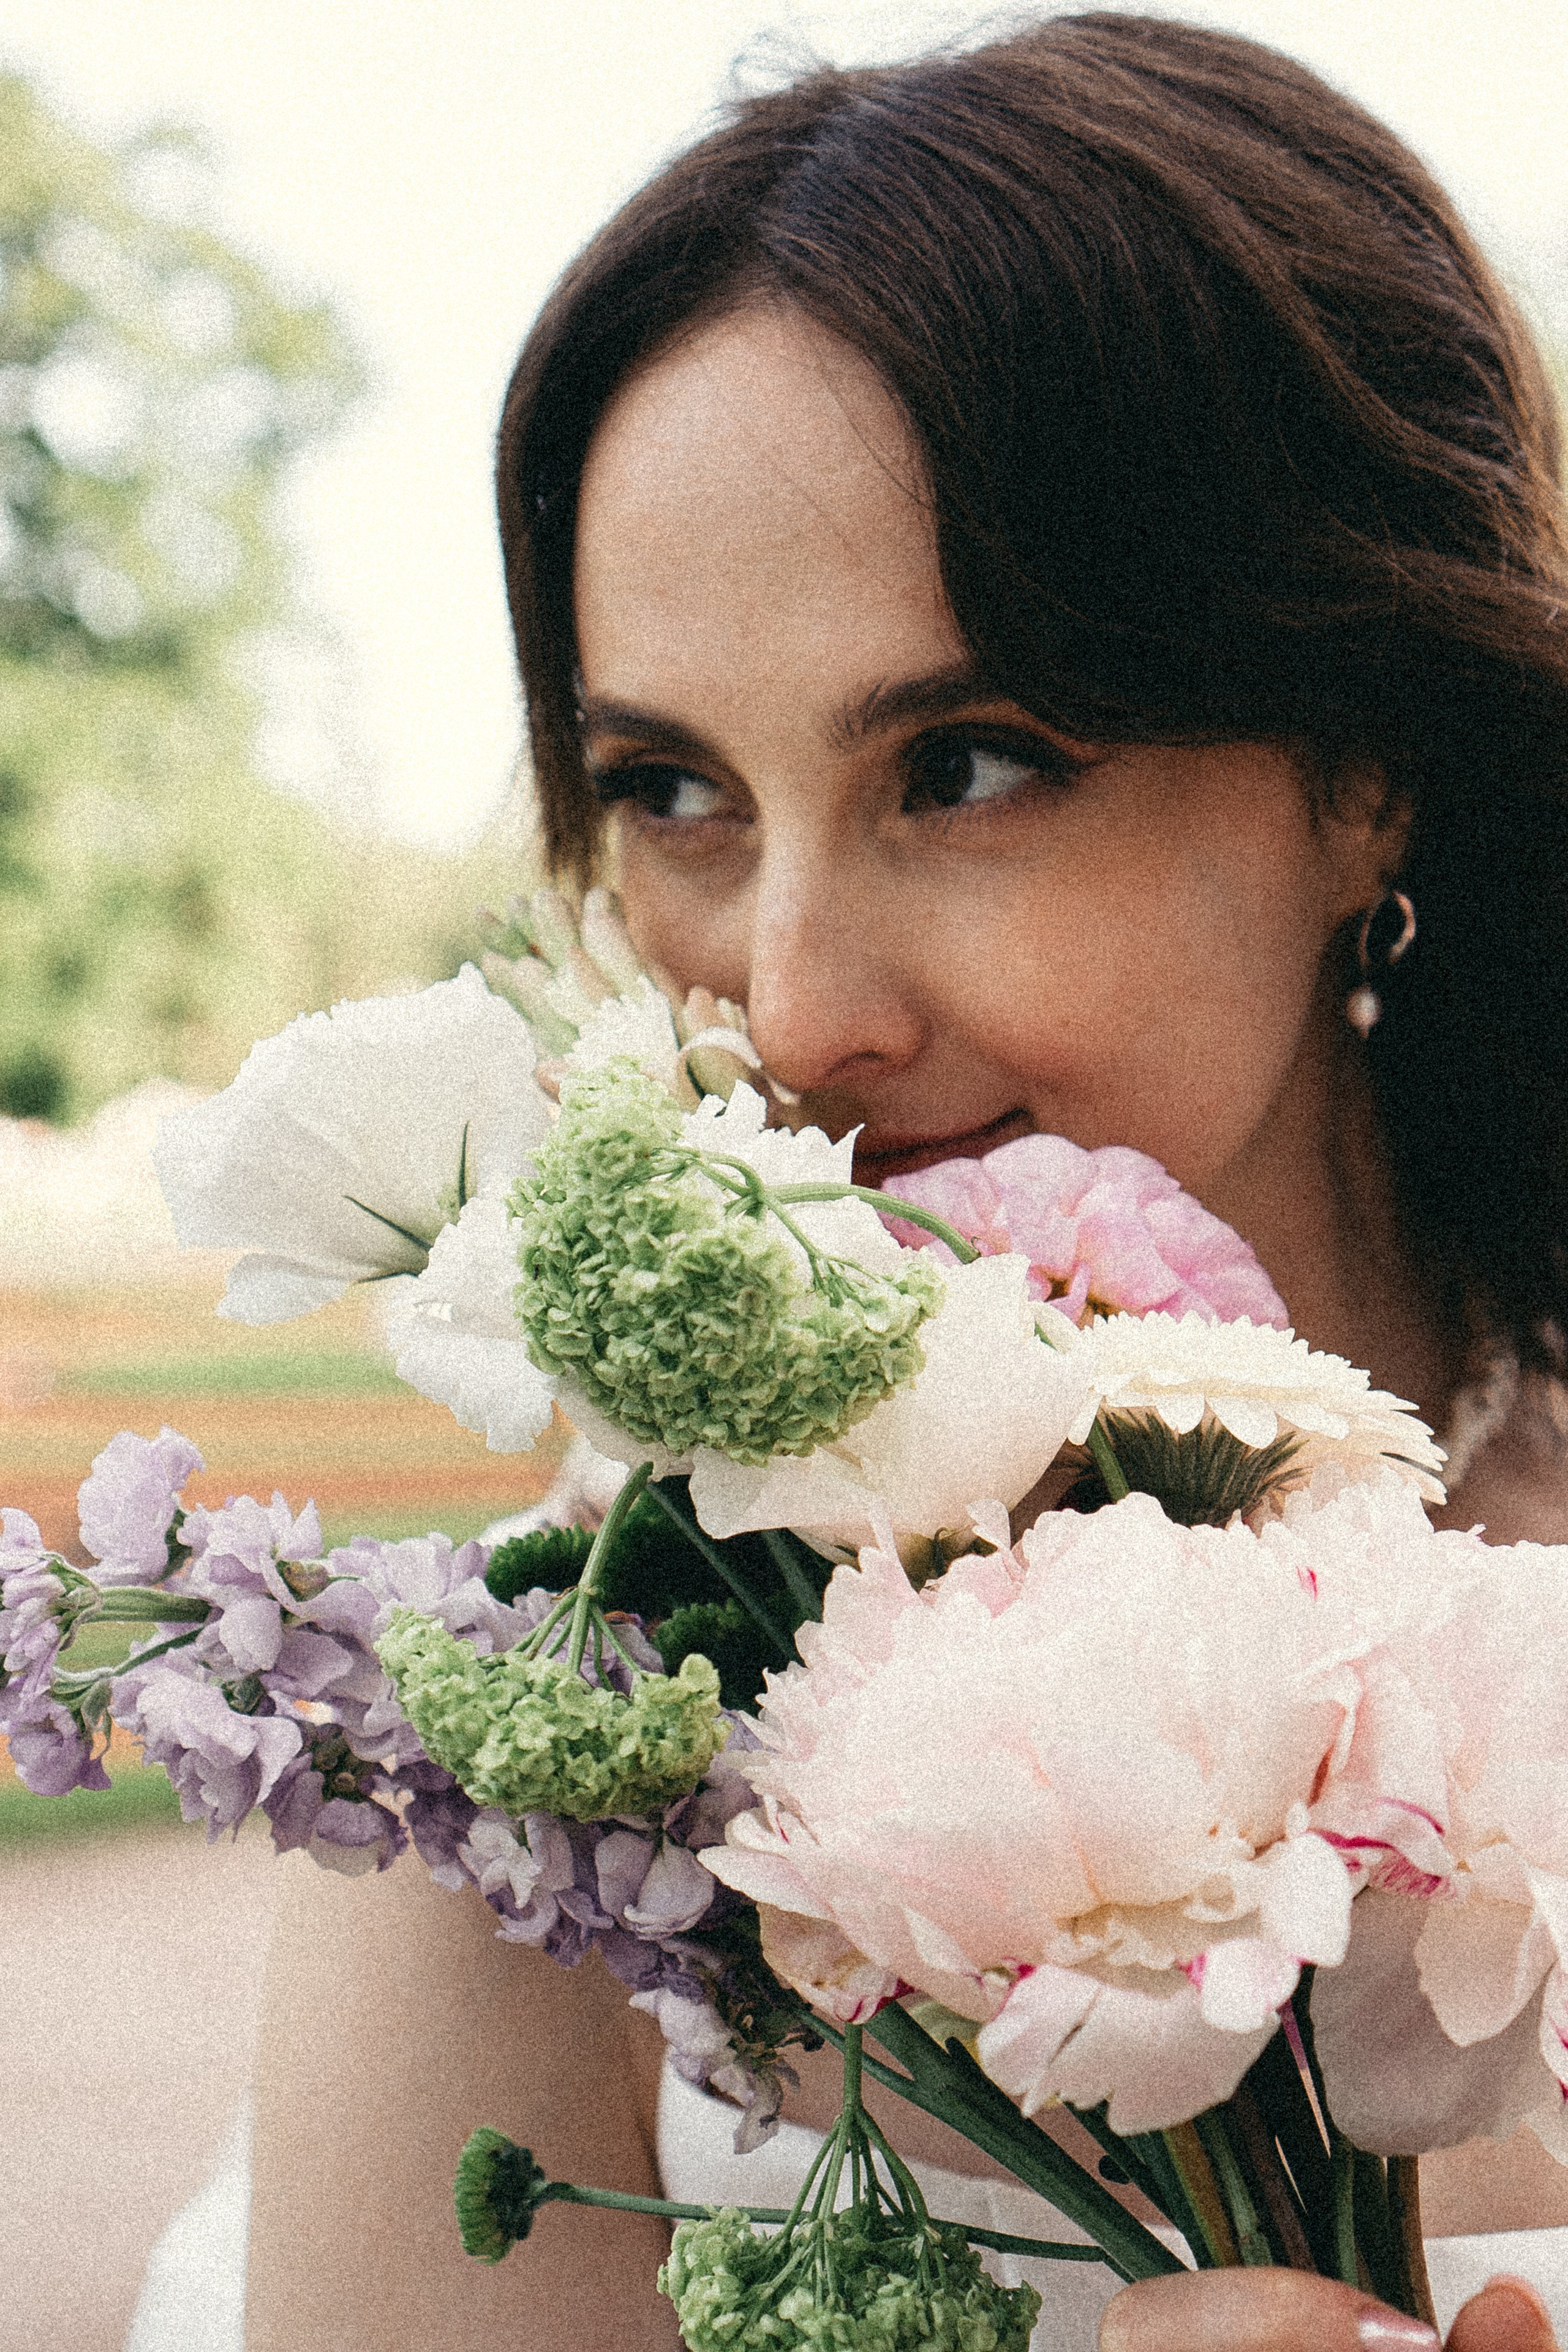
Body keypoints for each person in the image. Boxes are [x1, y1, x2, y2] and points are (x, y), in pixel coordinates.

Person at [242, 15, 1568, 2350]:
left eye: (963, 761)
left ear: (1367, 760)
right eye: (672, 789)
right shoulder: (551, 1757)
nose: (786, 997)